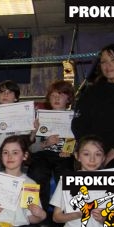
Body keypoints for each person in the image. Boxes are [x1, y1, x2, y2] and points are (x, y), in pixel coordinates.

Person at [72, 43, 114, 172]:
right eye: (104, 62)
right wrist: (92, 151)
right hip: (93, 150)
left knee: (112, 172)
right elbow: (79, 123)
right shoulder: (90, 92)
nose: (108, 66)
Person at [27, 80, 76, 208]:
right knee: (37, 172)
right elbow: (31, 148)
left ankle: (63, 212)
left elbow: (80, 142)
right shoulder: (40, 117)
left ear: (68, 98)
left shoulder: (74, 118)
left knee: (66, 175)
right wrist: (45, 143)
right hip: (43, 154)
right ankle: (39, 211)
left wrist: (69, 150)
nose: (56, 98)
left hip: (64, 155)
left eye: (61, 95)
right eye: (53, 95)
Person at [0, 80, 32, 171]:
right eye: (2, 92)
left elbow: (26, 141)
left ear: (16, 98)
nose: (5, 94)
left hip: (15, 150)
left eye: (9, 92)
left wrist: (34, 130)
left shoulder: (23, 113)